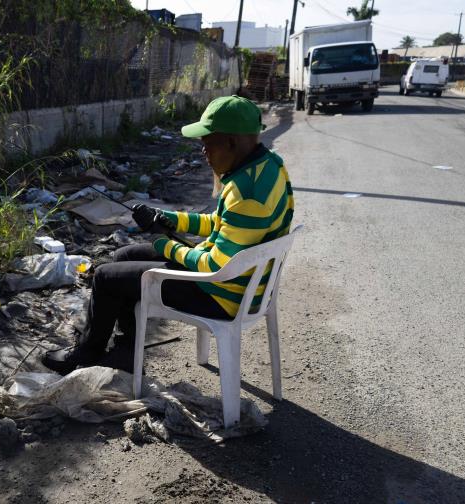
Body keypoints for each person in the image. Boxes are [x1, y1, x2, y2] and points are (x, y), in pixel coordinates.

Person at [42, 95, 295, 375]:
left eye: (207, 144)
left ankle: (87, 354)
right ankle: (127, 351)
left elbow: (215, 265)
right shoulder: (268, 166)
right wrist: (169, 218)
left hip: (222, 295)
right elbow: (220, 223)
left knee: (105, 277)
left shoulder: (247, 192)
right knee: (123, 256)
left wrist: (165, 245)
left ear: (231, 143)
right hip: (240, 283)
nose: (203, 153)